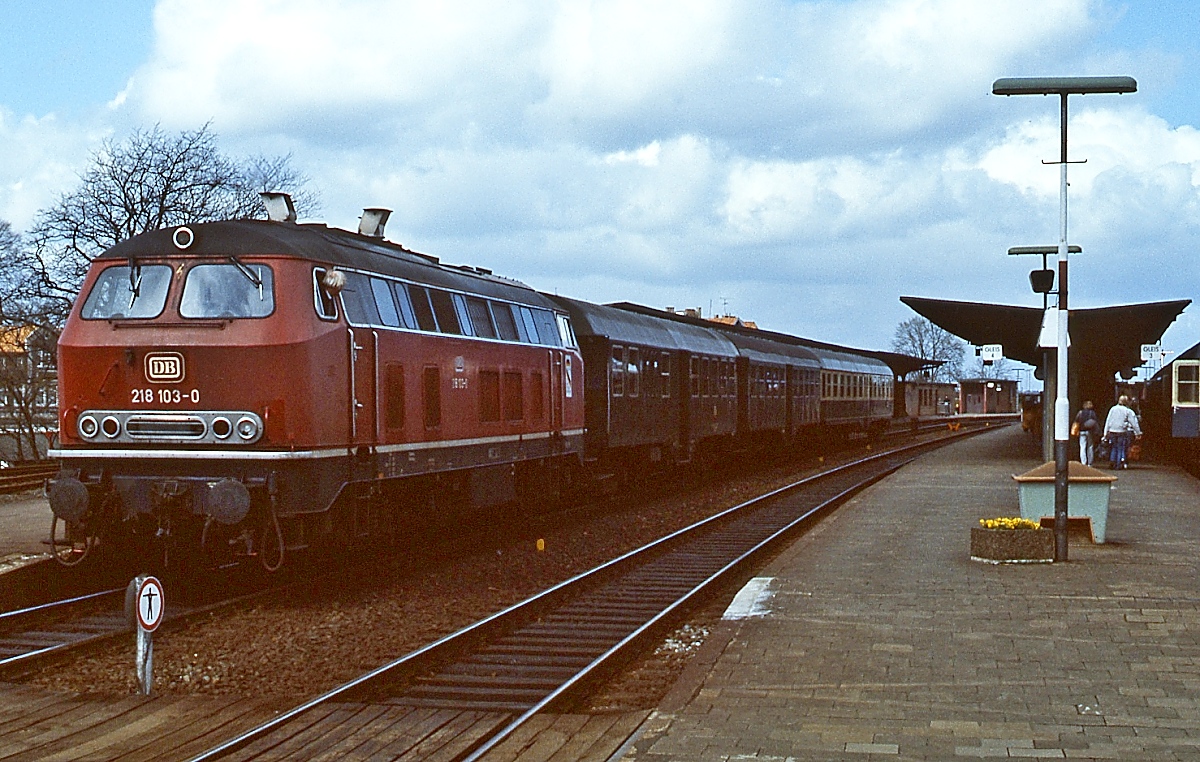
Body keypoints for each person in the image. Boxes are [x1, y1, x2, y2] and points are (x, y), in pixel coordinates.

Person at [1102, 395, 1142, 470]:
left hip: (1112, 431)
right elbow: (1134, 423)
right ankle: (1118, 464)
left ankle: (1112, 461)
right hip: (1122, 431)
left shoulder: (1112, 409)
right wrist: (1138, 433)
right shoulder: (1128, 411)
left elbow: (1108, 421)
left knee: (1113, 447)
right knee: (1120, 448)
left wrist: (1105, 433)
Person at [1074, 400, 1099, 466]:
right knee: (1090, 447)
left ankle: (1083, 462)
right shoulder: (1092, 413)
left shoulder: (1080, 412)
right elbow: (1095, 422)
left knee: (1082, 447)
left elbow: (1076, 421)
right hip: (1090, 432)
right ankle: (1090, 463)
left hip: (1082, 431)